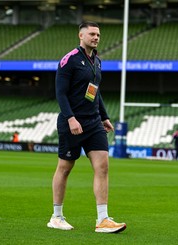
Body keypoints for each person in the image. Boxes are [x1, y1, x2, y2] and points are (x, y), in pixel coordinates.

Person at [47, 21, 126, 233]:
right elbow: (61, 93)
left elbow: (94, 92)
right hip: (72, 122)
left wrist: (104, 116)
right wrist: (71, 118)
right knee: (65, 168)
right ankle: (56, 216)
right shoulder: (69, 60)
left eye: (98, 34)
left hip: (93, 123)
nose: (96, 37)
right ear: (80, 36)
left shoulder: (97, 61)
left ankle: (103, 220)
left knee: (103, 166)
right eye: (92, 34)